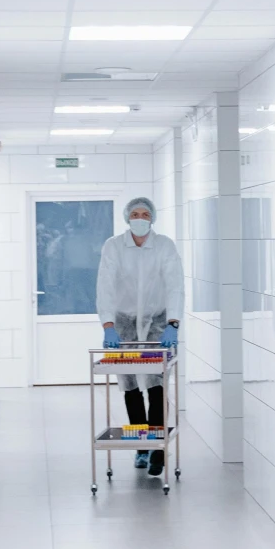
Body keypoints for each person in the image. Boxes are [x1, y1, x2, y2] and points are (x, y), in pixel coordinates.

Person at [96, 195, 183, 474]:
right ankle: (141, 447)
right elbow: (105, 285)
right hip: (122, 323)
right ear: (127, 217)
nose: (141, 219)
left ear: (153, 218)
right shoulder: (113, 247)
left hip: (157, 320)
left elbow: (175, 284)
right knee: (131, 386)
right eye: (136, 214)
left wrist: (174, 322)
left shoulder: (164, 246)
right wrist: (108, 325)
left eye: (146, 214)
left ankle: (158, 448)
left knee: (157, 384)